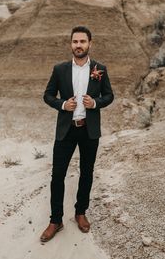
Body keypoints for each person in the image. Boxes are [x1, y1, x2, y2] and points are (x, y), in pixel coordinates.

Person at [40, 26, 114, 242]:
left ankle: (80, 213)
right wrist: (63, 104)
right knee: (57, 176)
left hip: (89, 130)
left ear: (90, 43)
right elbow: (47, 95)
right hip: (66, 130)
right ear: (71, 44)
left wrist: (95, 103)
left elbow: (109, 96)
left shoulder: (100, 69)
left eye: (82, 41)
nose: (78, 45)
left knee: (87, 173)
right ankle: (56, 220)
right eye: (75, 42)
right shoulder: (60, 69)